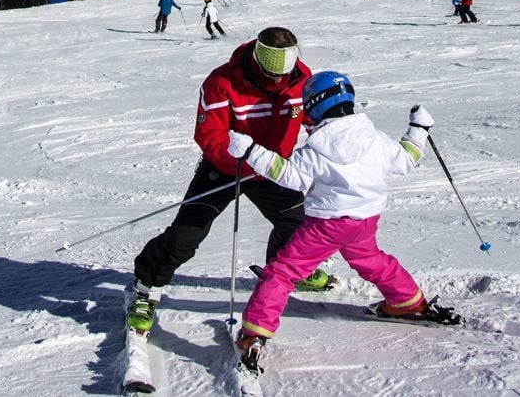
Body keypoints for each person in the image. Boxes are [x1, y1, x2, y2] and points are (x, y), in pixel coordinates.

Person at [229, 72, 458, 367]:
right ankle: (407, 302)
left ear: (314, 106)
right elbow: (406, 159)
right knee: (373, 260)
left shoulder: (316, 149)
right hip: (364, 221)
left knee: (284, 272)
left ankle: (254, 333)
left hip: (325, 226)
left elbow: (289, 176)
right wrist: (419, 128)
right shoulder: (374, 138)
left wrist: (250, 151)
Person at [126, 28, 335, 334]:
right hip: (226, 168)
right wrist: (242, 161)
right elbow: (209, 135)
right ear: (256, 61)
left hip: (273, 168)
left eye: (284, 74)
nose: (278, 81)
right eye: (270, 74)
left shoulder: (301, 78)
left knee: (300, 224)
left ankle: (288, 270)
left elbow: (311, 118)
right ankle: (146, 286)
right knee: (186, 237)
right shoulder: (223, 82)